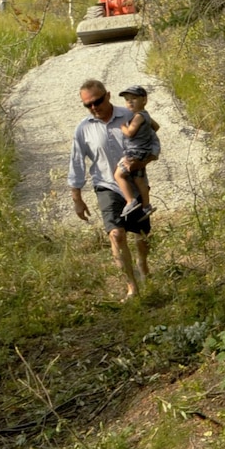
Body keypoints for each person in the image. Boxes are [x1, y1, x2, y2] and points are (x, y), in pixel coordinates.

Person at [68, 77, 151, 299]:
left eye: (97, 101)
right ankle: (132, 287)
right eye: (88, 105)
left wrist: (142, 162)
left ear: (108, 96)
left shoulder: (130, 116)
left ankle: (142, 263)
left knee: (141, 235)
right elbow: (76, 162)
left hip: (135, 184)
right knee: (116, 234)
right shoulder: (83, 129)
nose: (94, 108)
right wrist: (77, 197)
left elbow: (152, 144)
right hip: (105, 185)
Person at [112, 85, 161, 230]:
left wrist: (121, 125)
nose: (130, 102)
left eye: (134, 99)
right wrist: (146, 133)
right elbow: (156, 127)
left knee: (119, 175)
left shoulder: (138, 116)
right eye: (127, 100)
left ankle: (130, 201)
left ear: (144, 100)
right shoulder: (145, 115)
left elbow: (130, 133)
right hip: (143, 151)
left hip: (134, 152)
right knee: (138, 179)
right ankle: (146, 206)